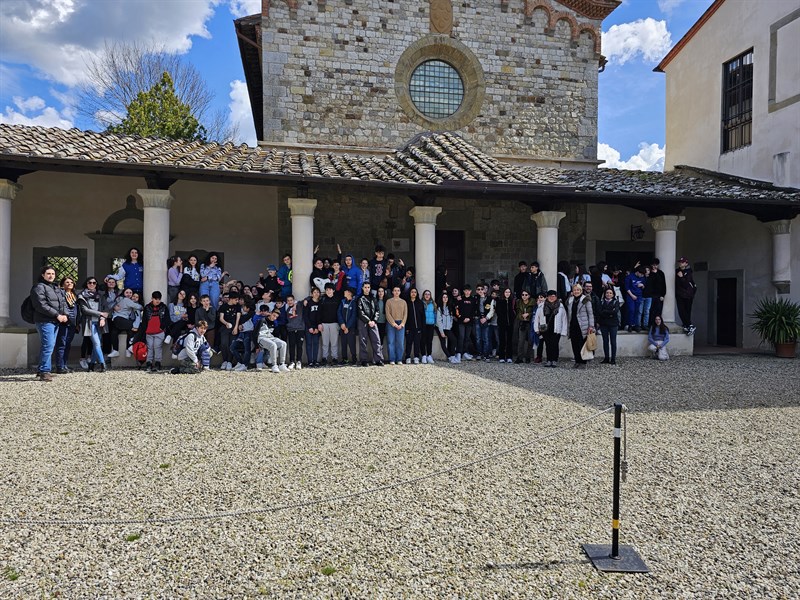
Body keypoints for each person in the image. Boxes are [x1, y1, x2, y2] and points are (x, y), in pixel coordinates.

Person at [30, 265, 69, 381]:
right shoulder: (38, 287)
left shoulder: (55, 287)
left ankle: (41, 369)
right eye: (48, 273)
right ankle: (44, 371)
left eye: (53, 274)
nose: (51, 276)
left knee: (47, 346)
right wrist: (57, 315)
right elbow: (41, 305)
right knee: (49, 345)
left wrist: (65, 315)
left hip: (55, 321)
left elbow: (62, 302)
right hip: (44, 321)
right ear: (43, 275)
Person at [535, 290, 567, 367]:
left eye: (553, 296)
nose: (552, 298)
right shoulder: (542, 306)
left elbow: (564, 319)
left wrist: (564, 331)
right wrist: (536, 329)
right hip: (545, 329)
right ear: (547, 297)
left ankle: (554, 360)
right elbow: (537, 318)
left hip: (557, 328)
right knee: (548, 345)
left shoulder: (561, 306)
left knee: (555, 345)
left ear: (556, 297)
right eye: (550, 296)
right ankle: (549, 360)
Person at [54, 276, 79, 374]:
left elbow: (77, 310)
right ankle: (59, 366)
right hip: (64, 322)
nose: (69, 284)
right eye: (67, 282)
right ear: (63, 284)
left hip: (73, 323)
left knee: (68, 344)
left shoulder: (74, 295)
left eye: (71, 282)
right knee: (61, 344)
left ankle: (64, 365)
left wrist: (77, 322)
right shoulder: (61, 294)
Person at [566, 283, 595, 368]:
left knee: (582, 344)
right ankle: (577, 361)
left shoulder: (585, 300)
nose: (576, 291)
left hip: (583, 326)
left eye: (578, 290)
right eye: (575, 290)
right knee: (574, 344)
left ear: (581, 291)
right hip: (573, 325)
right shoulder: (570, 300)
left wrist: (591, 326)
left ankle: (583, 362)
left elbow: (590, 314)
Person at [108, 287, 142, 358]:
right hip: (119, 319)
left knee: (115, 332)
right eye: (127, 292)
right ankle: (129, 347)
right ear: (123, 293)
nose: (129, 294)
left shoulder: (122, 300)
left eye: (130, 293)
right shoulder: (126, 300)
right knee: (137, 328)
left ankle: (117, 350)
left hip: (119, 320)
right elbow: (138, 307)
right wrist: (142, 306)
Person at [356, 282, 384, 366]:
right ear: (362, 288)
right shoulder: (360, 299)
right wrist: (368, 321)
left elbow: (377, 311)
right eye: (365, 287)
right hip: (363, 322)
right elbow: (360, 312)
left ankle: (378, 359)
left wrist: (374, 320)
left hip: (373, 322)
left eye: (368, 287)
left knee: (376, 340)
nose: (367, 289)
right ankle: (364, 360)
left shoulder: (373, 298)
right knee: (363, 341)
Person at [141, 290, 168, 372]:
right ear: (152, 298)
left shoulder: (164, 307)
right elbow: (144, 320)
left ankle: (157, 362)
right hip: (149, 332)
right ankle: (148, 362)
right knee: (149, 347)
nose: (157, 301)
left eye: (159, 299)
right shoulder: (147, 307)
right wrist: (144, 330)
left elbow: (166, 318)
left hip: (159, 332)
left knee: (157, 347)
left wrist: (162, 327)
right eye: (155, 299)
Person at [218, 292, 241, 370]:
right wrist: (226, 323)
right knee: (224, 343)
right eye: (236, 299)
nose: (237, 301)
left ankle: (229, 361)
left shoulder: (237, 306)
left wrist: (236, 327)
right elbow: (221, 318)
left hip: (234, 326)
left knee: (232, 344)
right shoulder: (223, 306)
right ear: (231, 299)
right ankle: (225, 360)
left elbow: (238, 317)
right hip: (224, 327)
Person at [597, 287, 620, 365]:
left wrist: (605, 312)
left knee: (613, 341)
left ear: (613, 294)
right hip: (604, 324)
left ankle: (613, 358)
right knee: (605, 341)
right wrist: (610, 312)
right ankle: (606, 358)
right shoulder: (601, 302)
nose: (608, 294)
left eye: (610, 293)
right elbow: (600, 312)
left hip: (613, 324)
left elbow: (615, 311)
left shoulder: (615, 302)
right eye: (607, 293)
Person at [318, 283, 340, 366]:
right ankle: (324, 358)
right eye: (327, 289)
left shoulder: (337, 299)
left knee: (334, 342)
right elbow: (319, 313)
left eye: (330, 289)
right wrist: (319, 323)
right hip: (324, 324)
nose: (328, 291)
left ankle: (335, 358)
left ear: (333, 290)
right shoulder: (322, 299)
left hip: (334, 323)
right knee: (325, 342)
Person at [385, 285, 407, 365]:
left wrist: (402, 324)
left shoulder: (403, 302)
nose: (396, 292)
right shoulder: (389, 301)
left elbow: (405, 314)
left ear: (400, 292)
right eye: (395, 290)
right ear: (392, 292)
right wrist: (394, 324)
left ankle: (399, 359)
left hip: (401, 323)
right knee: (391, 342)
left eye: (398, 290)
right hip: (391, 323)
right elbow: (388, 314)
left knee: (400, 342)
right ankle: (392, 359)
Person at [676, 257, 697, 335]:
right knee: (681, 311)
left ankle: (688, 325)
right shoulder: (677, 271)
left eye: (682, 262)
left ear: (686, 263)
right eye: (680, 262)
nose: (680, 263)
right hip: (679, 294)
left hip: (688, 295)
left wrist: (681, 277)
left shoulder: (689, 272)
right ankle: (688, 325)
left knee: (686, 311)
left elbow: (686, 285)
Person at [456, 284, 477, 361]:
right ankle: (459, 353)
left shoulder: (473, 300)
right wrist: (462, 318)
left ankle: (465, 352)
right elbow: (457, 310)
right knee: (461, 337)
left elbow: (474, 311)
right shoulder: (460, 299)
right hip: (461, 321)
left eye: (469, 290)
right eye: (466, 291)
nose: (467, 292)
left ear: (471, 291)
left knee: (467, 338)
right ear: (463, 291)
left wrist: (470, 318)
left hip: (470, 321)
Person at [338, 287, 358, 365]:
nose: (344, 292)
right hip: (342, 327)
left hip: (350, 328)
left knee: (352, 343)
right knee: (343, 343)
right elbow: (339, 313)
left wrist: (347, 326)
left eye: (345, 291)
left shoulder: (353, 303)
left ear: (349, 293)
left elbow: (353, 316)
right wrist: (342, 324)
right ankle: (344, 359)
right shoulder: (342, 301)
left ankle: (354, 359)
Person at [403, 287, 424, 364]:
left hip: (418, 327)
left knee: (417, 343)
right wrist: (406, 327)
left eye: (415, 292)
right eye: (412, 292)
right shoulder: (406, 303)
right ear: (409, 293)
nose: (413, 293)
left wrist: (422, 327)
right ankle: (407, 357)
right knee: (408, 343)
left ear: (417, 293)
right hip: (409, 327)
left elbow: (422, 316)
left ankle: (416, 357)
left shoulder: (420, 303)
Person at [303, 287, 322, 367]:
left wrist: (317, 327)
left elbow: (321, 315)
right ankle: (310, 361)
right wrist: (310, 327)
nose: (316, 294)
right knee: (309, 344)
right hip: (309, 327)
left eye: (318, 292)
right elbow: (305, 316)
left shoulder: (321, 302)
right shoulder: (308, 303)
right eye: (314, 292)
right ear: (311, 294)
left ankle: (315, 360)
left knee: (316, 344)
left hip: (317, 326)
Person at [475, 285, 495, 361]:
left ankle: (486, 355)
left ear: (485, 290)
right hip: (477, 319)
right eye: (478, 289)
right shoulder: (475, 298)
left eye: (482, 289)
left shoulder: (490, 299)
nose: (480, 290)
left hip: (486, 319)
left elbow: (492, 310)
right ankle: (479, 353)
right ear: (476, 291)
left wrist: (486, 318)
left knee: (486, 338)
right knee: (478, 338)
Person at [284, 294, 305, 369]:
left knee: (299, 346)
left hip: (300, 329)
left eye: (291, 300)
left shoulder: (299, 305)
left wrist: (296, 304)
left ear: (294, 300)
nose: (290, 302)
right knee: (291, 345)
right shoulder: (287, 309)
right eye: (288, 301)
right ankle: (292, 361)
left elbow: (308, 298)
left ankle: (299, 361)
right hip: (291, 329)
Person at [514, 290, 535, 363]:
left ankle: (528, 357)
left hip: (530, 323)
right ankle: (519, 357)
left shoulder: (533, 302)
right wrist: (522, 316)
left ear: (529, 296)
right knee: (521, 341)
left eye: (526, 295)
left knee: (530, 341)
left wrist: (528, 314)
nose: (524, 296)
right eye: (523, 294)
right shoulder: (519, 302)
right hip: (522, 323)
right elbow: (518, 312)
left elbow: (535, 312)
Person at [495, 287, 515, 363]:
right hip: (502, 323)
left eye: (509, 292)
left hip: (510, 323)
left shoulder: (512, 301)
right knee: (502, 340)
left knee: (509, 340)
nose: (507, 293)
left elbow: (514, 310)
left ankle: (509, 356)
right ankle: (502, 356)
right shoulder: (499, 301)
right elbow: (498, 311)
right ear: (503, 293)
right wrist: (502, 320)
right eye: (506, 292)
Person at [625, 264, 645, 332]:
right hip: (631, 296)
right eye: (641, 274)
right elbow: (627, 287)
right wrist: (632, 295)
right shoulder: (630, 277)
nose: (642, 276)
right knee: (631, 310)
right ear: (638, 272)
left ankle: (636, 325)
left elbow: (644, 286)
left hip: (639, 296)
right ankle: (630, 325)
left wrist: (642, 286)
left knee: (637, 311)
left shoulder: (642, 278)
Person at [647, 258, 667, 328]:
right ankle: (650, 325)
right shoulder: (649, 273)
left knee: (658, 311)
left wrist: (662, 295)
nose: (655, 266)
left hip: (659, 295)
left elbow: (663, 284)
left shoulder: (661, 273)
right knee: (650, 311)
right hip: (650, 295)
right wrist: (653, 274)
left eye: (656, 265)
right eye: (653, 265)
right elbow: (649, 283)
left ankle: (657, 325)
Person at [421, 289, 437, 364]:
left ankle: (429, 355)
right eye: (426, 294)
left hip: (431, 324)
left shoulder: (433, 304)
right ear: (423, 295)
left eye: (428, 294)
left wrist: (435, 323)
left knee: (429, 340)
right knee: (423, 340)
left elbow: (435, 314)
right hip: (423, 324)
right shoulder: (421, 303)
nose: (427, 295)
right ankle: (423, 355)